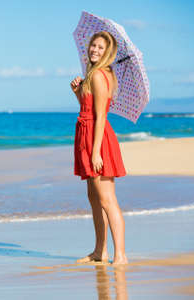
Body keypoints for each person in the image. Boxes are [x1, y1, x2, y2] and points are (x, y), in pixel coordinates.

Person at [70, 31, 128, 265]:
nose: (94, 50)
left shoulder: (99, 76)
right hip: (86, 134)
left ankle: (121, 255)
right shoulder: (91, 75)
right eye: (93, 45)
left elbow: (101, 115)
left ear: (108, 53)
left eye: (100, 48)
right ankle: (99, 251)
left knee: (107, 199)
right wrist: (77, 93)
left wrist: (95, 152)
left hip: (98, 138)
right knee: (93, 198)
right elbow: (87, 109)